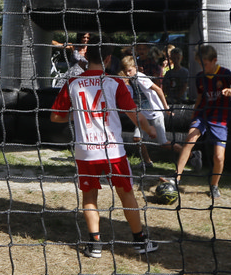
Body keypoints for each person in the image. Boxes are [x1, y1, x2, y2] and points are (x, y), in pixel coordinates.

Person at [51, 43, 162, 258]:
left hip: (86, 151)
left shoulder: (73, 82)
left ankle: (95, 245)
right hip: (113, 150)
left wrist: (78, 114)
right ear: (109, 59)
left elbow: (55, 116)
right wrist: (149, 129)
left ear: (86, 57)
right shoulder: (115, 82)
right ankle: (139, 241)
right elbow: (134, 113)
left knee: (89, 196)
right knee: (126, 193)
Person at [170, 43, 231, 201]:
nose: (203, 67)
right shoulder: (200, 77)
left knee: (219, 157)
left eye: (205, 64)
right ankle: (176, 178)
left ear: (214, 60)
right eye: (200, 64)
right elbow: (200, 97)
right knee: (189, 140)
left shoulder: (224, 73)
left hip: (219, 119)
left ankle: (214, 185)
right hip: (202, 115)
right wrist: (194, 115)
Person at [120, 54, 201, 171]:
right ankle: (147, 162)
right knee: (137, 139)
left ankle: (193, 155)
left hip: (155, 113)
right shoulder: (131, 80)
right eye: (125, 71)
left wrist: (166, 107)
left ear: (135, 68)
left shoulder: (140, 78)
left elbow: (158, 89)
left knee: (164, 143)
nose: (127, 74)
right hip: (144, 114)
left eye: (129, 70)